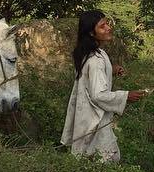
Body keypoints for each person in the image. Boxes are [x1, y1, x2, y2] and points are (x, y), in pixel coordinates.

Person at [61, 10, 146, 162]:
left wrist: (111, 69)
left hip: (86, 114)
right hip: (95, 117)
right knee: (103, 158)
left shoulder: (90, 53)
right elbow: (98, 95)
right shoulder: (95, 60)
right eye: (102, 26)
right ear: (92, 33)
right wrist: (126, 96)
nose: (108, 28)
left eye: (107, 23)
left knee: (87, 156)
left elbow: (90, 76)